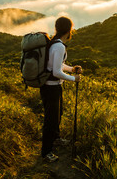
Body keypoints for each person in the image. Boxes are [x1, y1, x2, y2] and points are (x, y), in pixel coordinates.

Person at [40, 16, 82, 162]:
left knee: (58, 114)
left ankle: (56, 138)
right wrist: (73, 79)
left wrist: (71, 69)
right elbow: (56, 72)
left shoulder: (55, 43)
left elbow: (57, 66)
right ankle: (46, 152)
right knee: (51, 120)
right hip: (51, 88)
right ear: (69, 30)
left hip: (52, 87)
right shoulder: (59, 46)